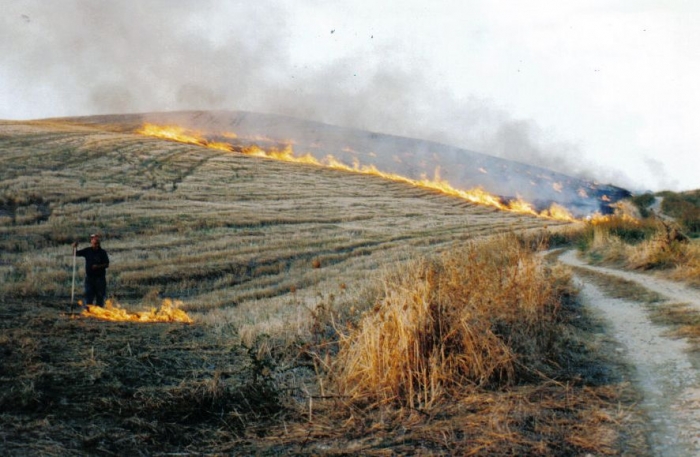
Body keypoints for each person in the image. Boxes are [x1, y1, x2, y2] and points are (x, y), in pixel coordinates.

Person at [72, 234, 110, 308]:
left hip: (100, 279)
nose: (96, 245)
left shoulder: (102, 252)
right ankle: (89, 312)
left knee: (100, 297)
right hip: (89, 278)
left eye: (98, 244)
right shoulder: (88, 251)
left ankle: (99, 312)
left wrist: (98, 266)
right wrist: (74, 247)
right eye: (95, 244)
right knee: (89, 296)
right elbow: (75, 254)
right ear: (91, 243)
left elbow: (107, 264)